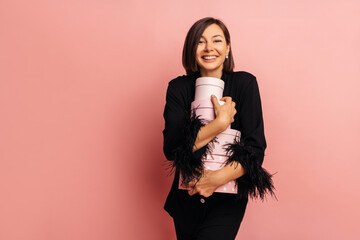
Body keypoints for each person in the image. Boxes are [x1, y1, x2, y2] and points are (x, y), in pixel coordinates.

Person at [162, 17, 275, 240]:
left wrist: (215, 179)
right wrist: (219, 125)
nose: (209, 48)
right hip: (186, 200)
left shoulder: (245, 84)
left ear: (227, 48)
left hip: (227, 200)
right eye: (200, 42)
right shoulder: (178, 88)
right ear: (191, 49)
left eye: (216, 40)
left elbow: (255, 150)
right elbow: (172, 149)